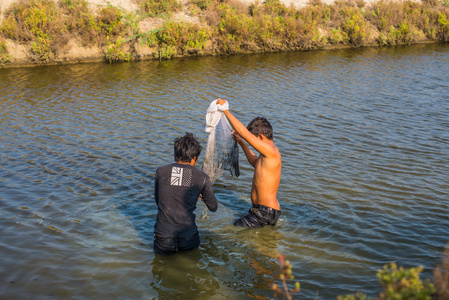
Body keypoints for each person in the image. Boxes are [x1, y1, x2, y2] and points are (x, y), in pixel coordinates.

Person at [216, 99, 282, 228]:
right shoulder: (268, 155)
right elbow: (254, 162)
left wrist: (225, 111)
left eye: (254, 139)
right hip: (265, 211)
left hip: (264, 212)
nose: (254, 143)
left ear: (261, 137)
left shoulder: (271, 151)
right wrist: (242, 143)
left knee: (231, 230)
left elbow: (244, 133)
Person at [153, 132, 218, 255]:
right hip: (188, 236)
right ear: (194, 158)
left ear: (175, 154)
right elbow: (213, 207)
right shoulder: (202, 177)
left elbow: (159, 201)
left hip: (163, 236)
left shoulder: (160, 172)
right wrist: (203, 196)